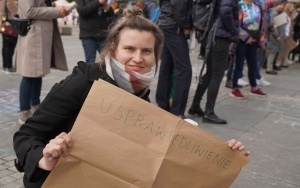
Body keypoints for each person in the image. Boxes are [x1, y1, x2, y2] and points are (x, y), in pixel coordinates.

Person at [13, 8, 250, 187]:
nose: (138, 58)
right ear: (114, 48)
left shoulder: (142, 96)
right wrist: (44, 158)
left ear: (156, 56)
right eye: (129, 49)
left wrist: (220, 153)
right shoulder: (84, 81)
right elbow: (26, 135)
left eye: (147, 51)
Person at [16, 0, 69, 124]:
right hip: (34, 36)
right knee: (29, 74)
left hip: (39, 35)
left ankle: (35, 105)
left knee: (38, 73)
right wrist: (55, 11)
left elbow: (39, 6)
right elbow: (29, 11)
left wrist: (56, 8)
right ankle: (24, 110)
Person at [188, 0, 239, 124]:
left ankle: (195, 105)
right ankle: (209, 112)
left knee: (210, 73)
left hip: (211, 34)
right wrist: (234, 31)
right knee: (217, 75)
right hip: (220, 37)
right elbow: (226, 12)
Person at [155, 0, 193, 118]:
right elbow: (179, 4)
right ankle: (177, 111)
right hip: (174, 25)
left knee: (167, 66)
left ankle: (162, 104)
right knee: (184, 70)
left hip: (167, 23)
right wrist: (186, 24)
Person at [230, 0, 267, 99]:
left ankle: (254, 87)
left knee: (253, 64)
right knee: (238, 64)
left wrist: (261, 38)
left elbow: (262, 23)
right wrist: (245, 37)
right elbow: (235, 24)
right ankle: (234, 88)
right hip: (241, 39)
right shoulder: (238, 5)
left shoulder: (258, 6)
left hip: (254, 38)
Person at [0, 0, 18, 74]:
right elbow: (2, 11)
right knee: (9, 45)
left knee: (6, 45)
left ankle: (6, 65)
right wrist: (4, 22)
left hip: (8, 22)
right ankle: (8, 66)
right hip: (10, 23)